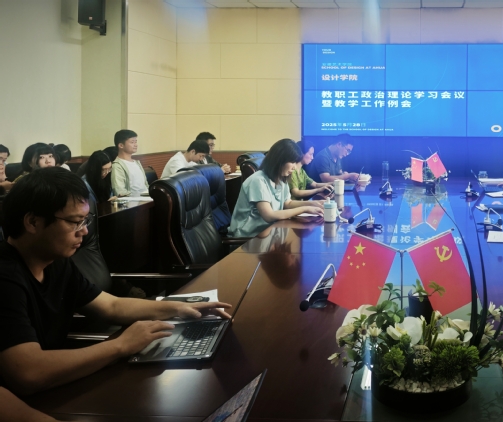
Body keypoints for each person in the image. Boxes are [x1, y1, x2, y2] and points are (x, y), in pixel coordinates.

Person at [0, 168, 232, 395]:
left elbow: (111, 305)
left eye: (85, 220)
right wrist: (120, 345)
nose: (84, 231)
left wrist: (179, 308)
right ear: (33, 222)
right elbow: (28, 372)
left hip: (57, 383)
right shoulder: (6, 276)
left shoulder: (55, 262)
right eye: (75, 222)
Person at [229, 139, 323, 237]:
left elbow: (287, 203)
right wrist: (305, 209)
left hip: (269, 232)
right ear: (280, 160)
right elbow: (269, 216)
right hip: (249, 237)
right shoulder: (258, 180)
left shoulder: (281, 179)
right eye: (292, 162)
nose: (294, 167)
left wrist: (313, 204)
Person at [111, 129, 149, 197]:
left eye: (136, 142)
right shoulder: (117, 166)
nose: (136, 145)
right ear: (121, 145)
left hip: (147, 198)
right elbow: (120, 191)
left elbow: (145, 185)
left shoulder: (137, 163)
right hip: (134, 201)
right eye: (132, 142)